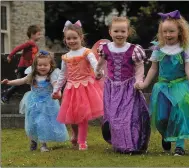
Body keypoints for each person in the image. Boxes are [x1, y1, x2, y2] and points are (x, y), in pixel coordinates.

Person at [135, 10, 189, 156]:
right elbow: (153, 68)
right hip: (162, 87)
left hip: (180, 86)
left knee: (180, 115)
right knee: (162, 117)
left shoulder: (184, 48)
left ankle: (180, 146)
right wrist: (144, 83)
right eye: (165, 32)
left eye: (171, 31)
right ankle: (166, 134)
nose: (168, 35)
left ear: (179, 31)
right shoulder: (158, 48)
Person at [95, 16, 151, 154]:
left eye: (122, 31)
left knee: (127, 117)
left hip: (128, 87)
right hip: (112, 87)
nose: (119, 34)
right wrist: (98, 71)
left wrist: (139, 81)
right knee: (114, 117)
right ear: (110, 32)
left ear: (128, 33)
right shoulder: (105, 48)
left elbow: (139, 67)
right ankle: (119, 143)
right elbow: (101, 63)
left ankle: (130, 145)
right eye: (116, 31)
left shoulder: (133, 49)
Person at [1, 50, 69, 152]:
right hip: (33, 103)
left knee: (42, 122)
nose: (42, 67)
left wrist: (57, 93)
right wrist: (9, 82)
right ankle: (33, 141)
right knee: (32, 123)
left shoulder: (51, 76)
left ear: (51, 65)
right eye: (40, 65)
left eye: (45, 65)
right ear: (35, 65)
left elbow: (56, 87)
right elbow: (21, 81)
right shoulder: (32, 75)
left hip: (47, 104)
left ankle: (43, 144)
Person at [52, 20, 103, 151]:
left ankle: (82, 141)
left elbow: (95, 63)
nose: (72, 41)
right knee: (71, 116)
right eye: (68, 38)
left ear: (81, 37)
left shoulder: (86, 52)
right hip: (71, 89)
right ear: (65, 40)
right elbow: (63, 75)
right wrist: (56, 89)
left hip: (86, 87)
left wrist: (98, 71)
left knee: (82, 116)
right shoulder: (65, 57)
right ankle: (74, 133)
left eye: (75, 38)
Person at [2, 25, 41, 104]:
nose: (40, 36)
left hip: (29, 67)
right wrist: (10, 56)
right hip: (23, 67)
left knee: (31, 81)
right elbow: (18, 48)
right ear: (32, 34)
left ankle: (6, 94)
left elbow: (34, 56)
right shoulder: (29, 43)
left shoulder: (34, 45)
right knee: (19, 83)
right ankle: (5, 96)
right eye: (38, 34)